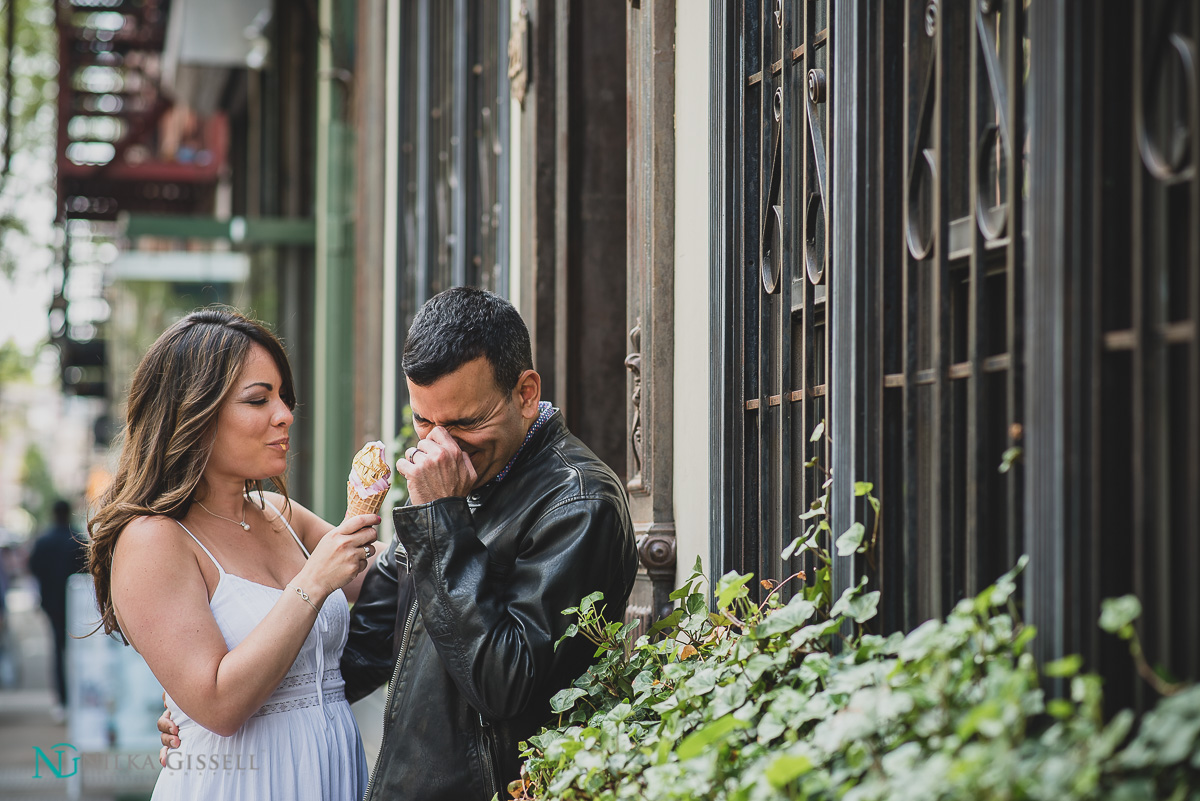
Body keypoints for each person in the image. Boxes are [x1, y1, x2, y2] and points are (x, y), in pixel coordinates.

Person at [160, 287, 641, 800]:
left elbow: (506, 687)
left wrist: (440, 519)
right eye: (424, 422)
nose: (440, 445)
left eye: (464, 423)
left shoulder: (576, 504)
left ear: (525, 394)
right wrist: (204, 702)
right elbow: (362, 645)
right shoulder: (465, 485)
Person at [89, 308, 380, 801]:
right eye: (258, 399)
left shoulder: (283, 516)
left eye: (284, 397)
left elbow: (401, 588)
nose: (285, 414)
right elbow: (219, 705)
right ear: (194, 413)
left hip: (333, 775)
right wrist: (313, 581)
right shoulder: (152, 539)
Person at [29, 499, 88, 720]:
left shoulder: (43, 541)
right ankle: (78, 698)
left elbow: (33, 569)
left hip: (52, 605)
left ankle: (62, 701)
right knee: (79, 652)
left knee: (57, 651)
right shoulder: (78, 540)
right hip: (77, 606)